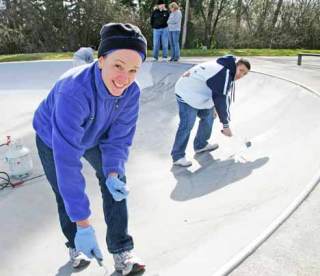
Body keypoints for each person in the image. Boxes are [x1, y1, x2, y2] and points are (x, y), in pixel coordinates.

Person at [33, 23, 147, 275]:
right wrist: (84, 224)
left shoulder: (132, 92)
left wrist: (114, 171)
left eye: (133, 70)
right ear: (101, 60)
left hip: (95, 135)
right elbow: (68, 163)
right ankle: (77, 243)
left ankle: (121, 249)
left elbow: (119, 138)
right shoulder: (73, 90)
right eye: (118, 65)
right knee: (65, 189)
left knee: (115, 184)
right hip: (54, 138)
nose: (124, 78)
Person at [171, 55, 251, 167]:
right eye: (241, 70)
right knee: (187, 124)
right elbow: (221, 99)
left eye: (244, 74)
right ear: (235, 66)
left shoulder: (228, 69)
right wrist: (226, 125)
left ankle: (201, 145)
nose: (241, 75)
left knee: (209, 116)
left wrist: (214, 108)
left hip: (199, 94)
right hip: (186, 93)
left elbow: (219, 92)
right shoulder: (224, 72)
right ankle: (178, 156)